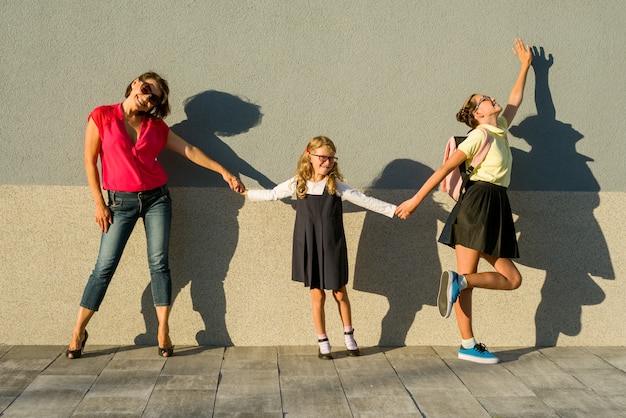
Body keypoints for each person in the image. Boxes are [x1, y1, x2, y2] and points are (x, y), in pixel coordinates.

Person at [66, 71, 245, 359]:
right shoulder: (102, 116)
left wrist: (225, 172)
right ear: (135, 83)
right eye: (147, 89)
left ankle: (163, 330)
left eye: (154, 97)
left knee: (159, 264)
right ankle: (78, 330)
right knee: (104, 267)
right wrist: (99, 203)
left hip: (157, 200)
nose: (148, 97)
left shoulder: (156, 127)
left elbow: (189, 150)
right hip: (118, 204)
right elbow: (90, 161)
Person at [396, 39, 533, 364]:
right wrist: (416, 200)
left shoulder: (497, 129)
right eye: (485, 99)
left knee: (511, 280)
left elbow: (514, 100)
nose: (493, 99)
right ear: (477, 113)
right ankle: (468, 343)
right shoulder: (480, 135)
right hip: (477, 206)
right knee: (467, 281)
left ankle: (461, 285)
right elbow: (445, 168)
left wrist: (525, 66)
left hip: (494, 204)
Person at [241, 136, 396, 359]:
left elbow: (364, 200)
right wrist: (247, 193)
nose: (327, 162)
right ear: (310, 157)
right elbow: (274, 193)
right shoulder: (299, 182)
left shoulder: (335, 185)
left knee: (340, 292)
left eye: (331, 158)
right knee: (317, 295)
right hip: (309, 243)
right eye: (323, 157)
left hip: (332, 245)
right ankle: (323, 340)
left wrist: (394, 210)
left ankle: (349, 335)